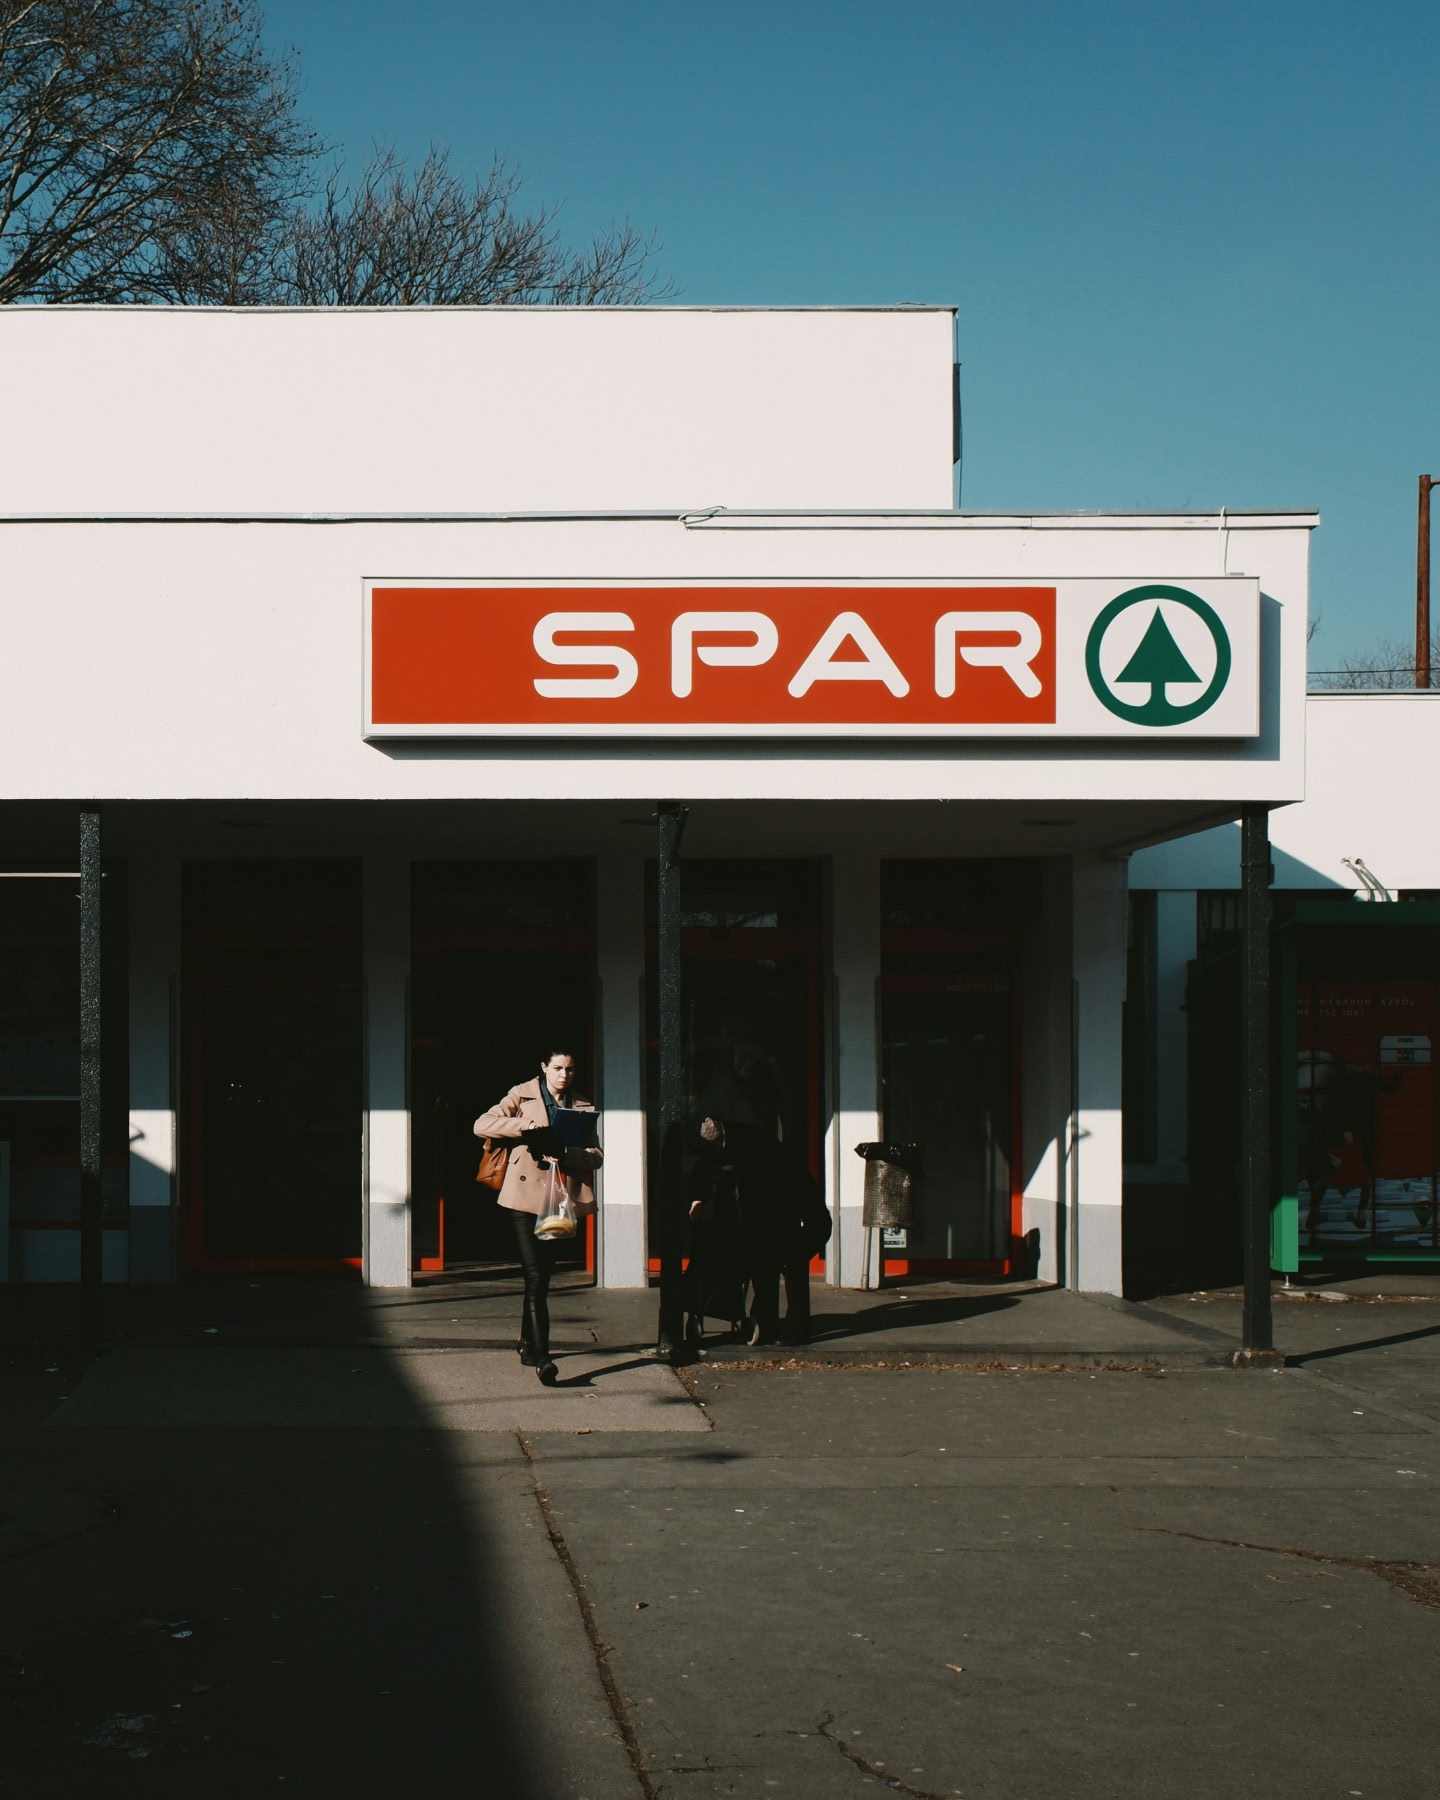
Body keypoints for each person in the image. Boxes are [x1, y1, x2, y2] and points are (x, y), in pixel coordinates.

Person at [474, 1048, 602, 1385]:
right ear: (544, 1067)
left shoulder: (581, 1105)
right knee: (534, 1275)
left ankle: (527, 1343)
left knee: (542, 1275)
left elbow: (596, 1156)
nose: (564, 1075)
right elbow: (482, 1124)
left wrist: (567, 1153)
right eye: (557, 1068)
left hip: (559, 1199)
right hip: (523, 1195)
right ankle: (543, 1358)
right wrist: (526, 1127)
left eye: (570, 1069)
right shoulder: (522, 1094)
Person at [688, 1116, 831, 1346]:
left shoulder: (759, 1153)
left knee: (787, 1265)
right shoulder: (738, 1150)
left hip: (797, 1215)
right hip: (780, 1212)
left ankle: (794, 1328)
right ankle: (771, 1325)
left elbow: (785, 1198)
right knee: (770, 1266)